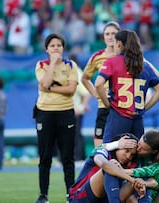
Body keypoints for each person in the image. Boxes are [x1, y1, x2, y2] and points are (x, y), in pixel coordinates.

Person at [95, 29, 159, 142]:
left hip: (118, 116)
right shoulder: (145, 65)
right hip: (137, 119)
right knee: (134, 154)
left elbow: (98, 84)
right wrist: (144, 108)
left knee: (111, 153)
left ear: (118, 44)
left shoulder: (112, 62)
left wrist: (108, 104)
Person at [33, 33, 79, 203]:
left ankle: (71, 194)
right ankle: (43, 195)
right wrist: (52, 63)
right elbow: (44, 83)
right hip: (45, 113)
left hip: (65, 112)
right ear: (46, 49)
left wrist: (51, 89)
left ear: (63, 48)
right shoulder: (41, 65)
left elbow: (71, 90)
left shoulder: (71, 65)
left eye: (59, 45)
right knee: (45, 157)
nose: (56, 48)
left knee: (68, 157)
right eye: (52, 46)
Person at [104, 130, 159, 203]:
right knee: (132, 197)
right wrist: (116, 144)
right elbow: (100, 150)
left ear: (154, 152)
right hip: (132, 196)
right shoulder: (132, 150)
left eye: (142, 149)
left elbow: (154, 179)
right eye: (139, 144)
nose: (138, 148)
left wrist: (120, 171)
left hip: (155, 198)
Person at [68, 133, 145, 203]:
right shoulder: (103, 151)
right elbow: (104, 164)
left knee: (135, 186)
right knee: (111, 166)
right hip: (80, 198)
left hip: (105, 199)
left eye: (132, 154)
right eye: (126, 150)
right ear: (118, 146)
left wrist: (136, 182)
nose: (128, 156)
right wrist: (132, 180)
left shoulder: (130, 163)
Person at [81, 21, 121, 147]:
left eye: (113, 33)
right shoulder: (97, 57)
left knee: (122, 141)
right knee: (99, 140)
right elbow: (85, 78)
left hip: (123, 105)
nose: (110, 37)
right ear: (103, 37)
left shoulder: (127, 55)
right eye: (107, 34)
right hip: (104, 105)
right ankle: (100, 166)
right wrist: (96, 94)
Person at [69, 54, 91, 161]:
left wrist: (82, 106)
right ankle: (79, 157)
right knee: (74, 134)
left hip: (75, 110)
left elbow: (86, 93)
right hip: (71, 109)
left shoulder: (76, 73)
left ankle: (77, 158)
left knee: (75, 134)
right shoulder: (73, 73)